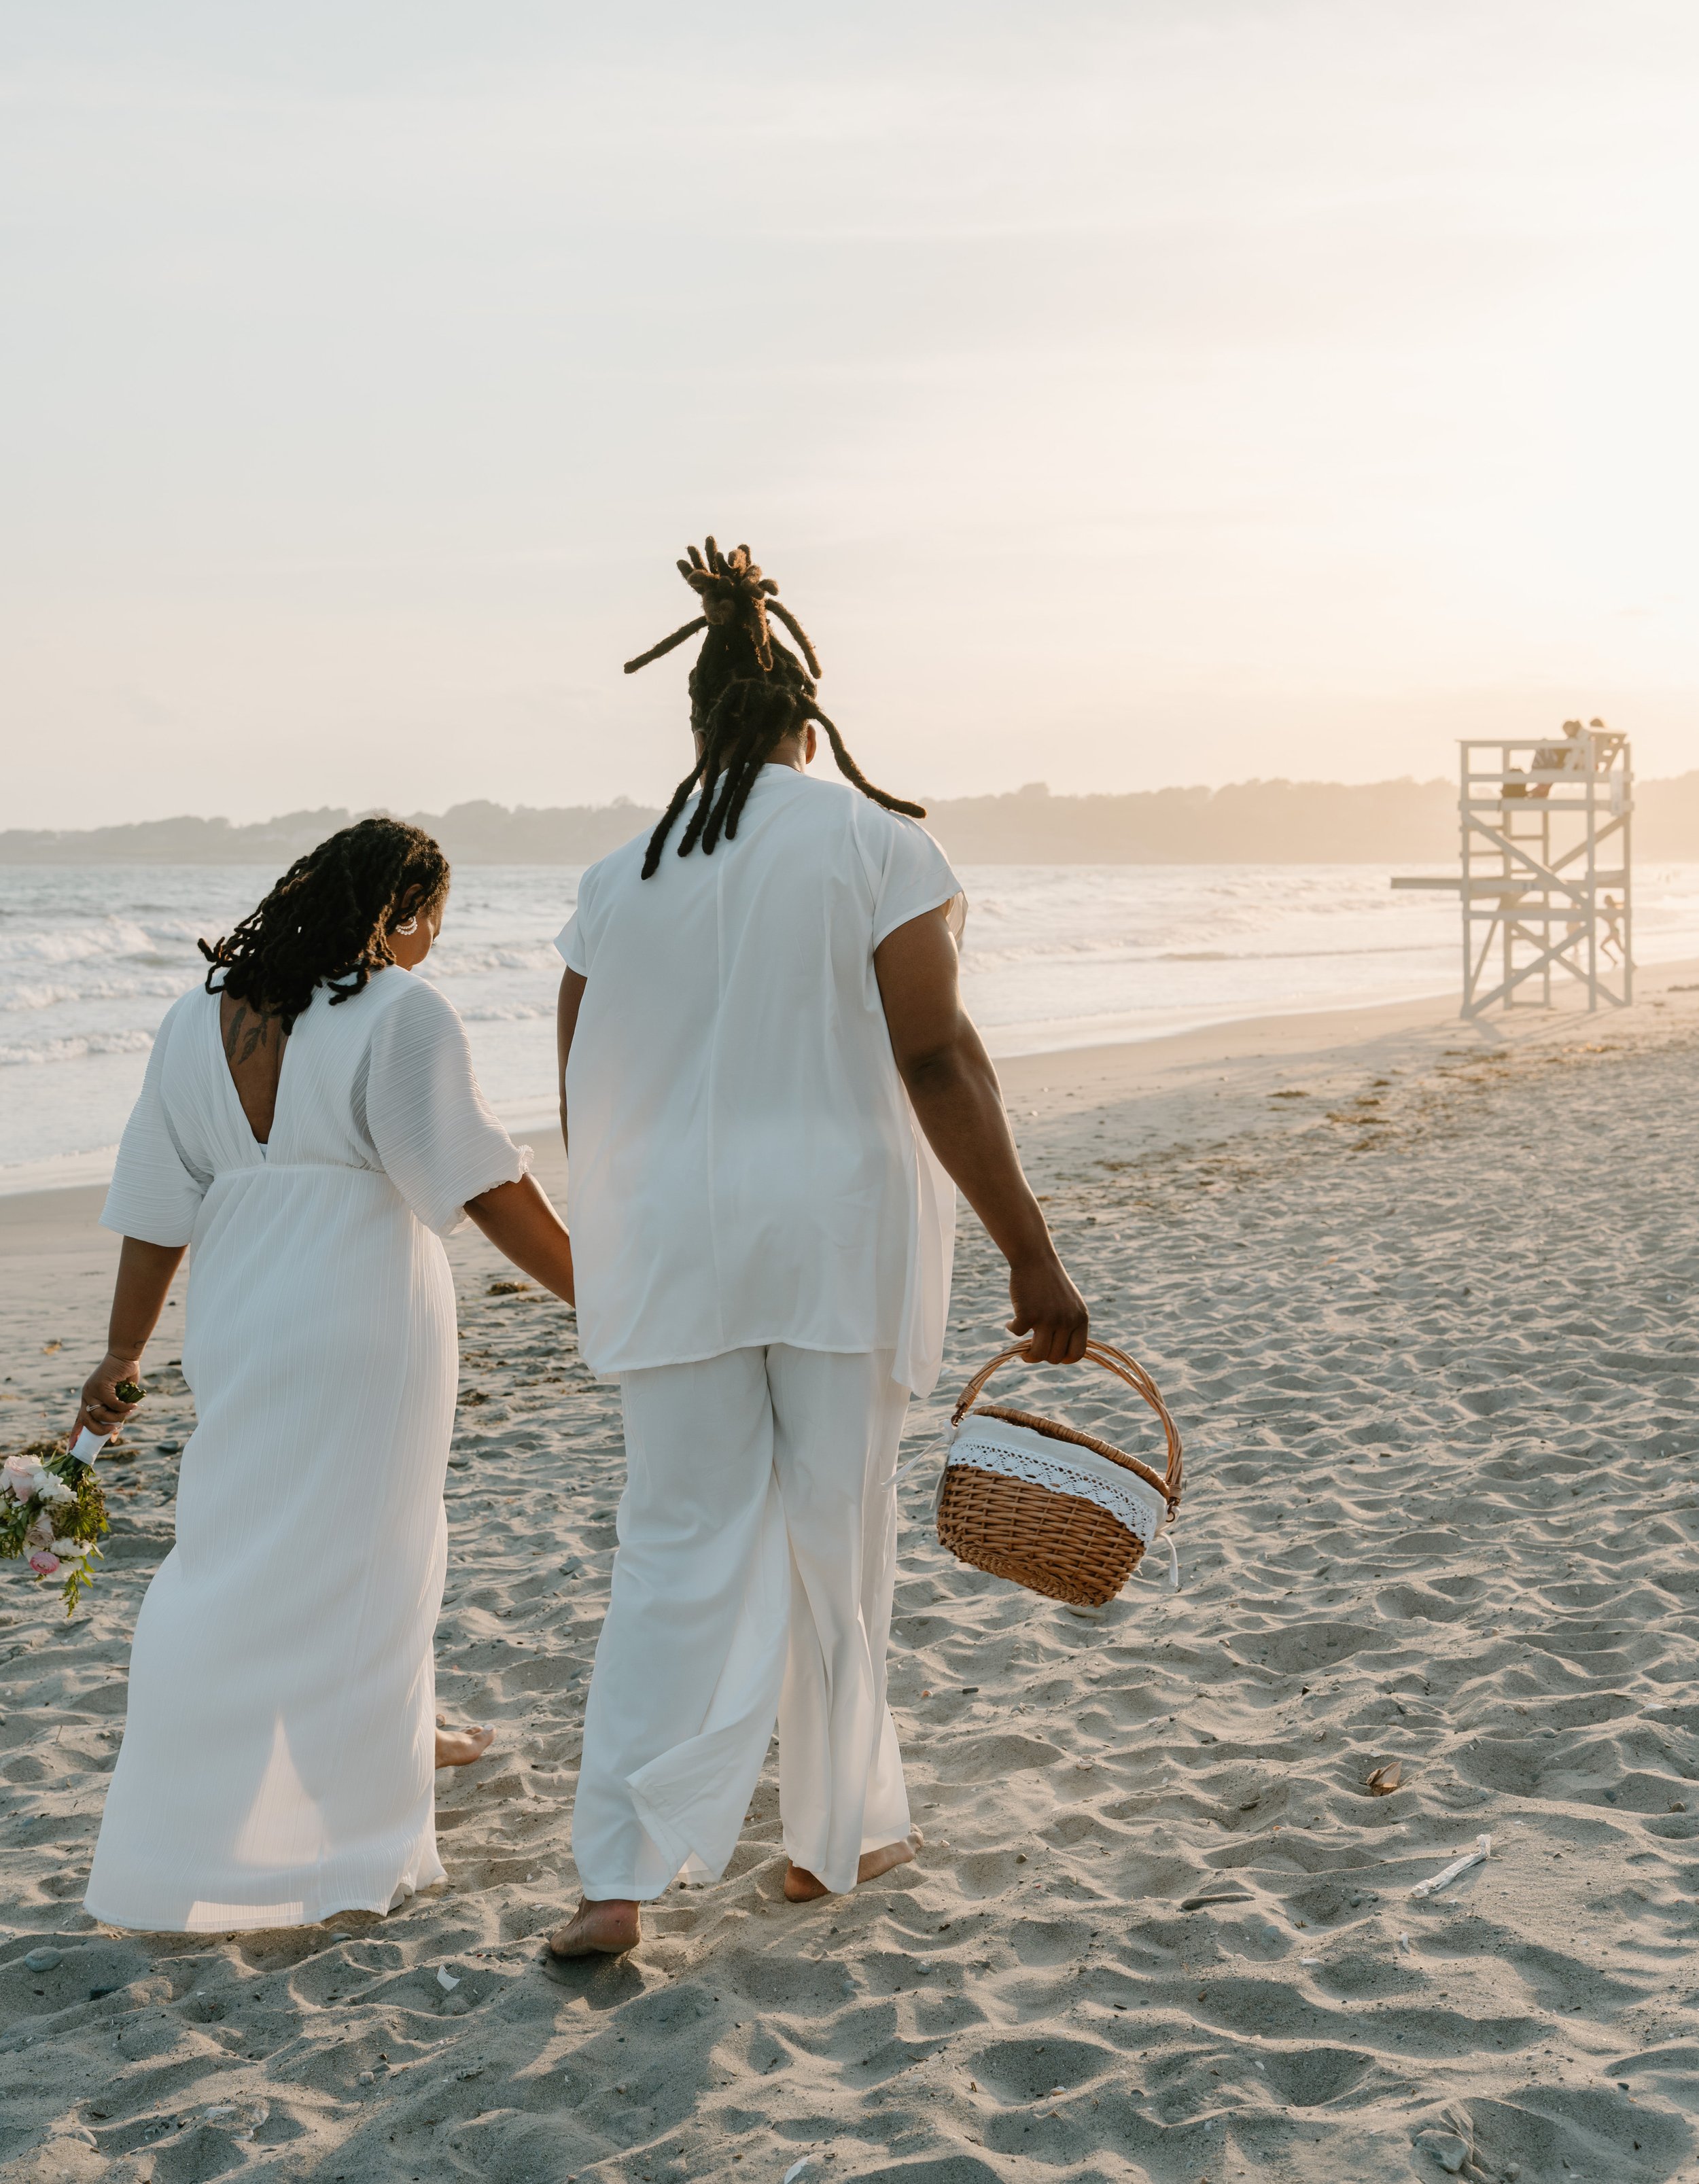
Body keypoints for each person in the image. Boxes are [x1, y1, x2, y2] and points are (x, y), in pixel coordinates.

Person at [546, 540, 1088, 1959]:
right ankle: (829, 1839)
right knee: (833, 1538)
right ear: (806, 725)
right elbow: (935, 1054)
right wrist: (1028, 1253)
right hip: (834, 1234)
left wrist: (618, 1226)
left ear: (701, 726)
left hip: (671, 1244)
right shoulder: (873, 843)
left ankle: (614, 1874)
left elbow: (580, 1074)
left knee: (670, 1546)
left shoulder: (621, 877)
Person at [72, 817, 576, 1933]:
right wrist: (601, 1289)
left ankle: (189, 1824)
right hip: (364, 1311)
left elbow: (157, 1205)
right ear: (397, 917)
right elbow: (482, 1180)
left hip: (243, 1310)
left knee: (231, 1547)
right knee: (374, 1551)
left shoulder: (190, 1024)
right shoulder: (397, 1011)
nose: (429, 951)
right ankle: (349, 1841)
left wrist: (121, 1350)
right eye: (430, 928)